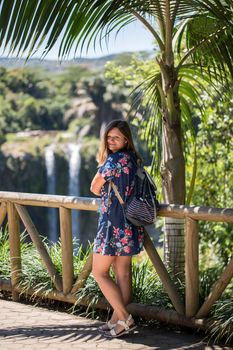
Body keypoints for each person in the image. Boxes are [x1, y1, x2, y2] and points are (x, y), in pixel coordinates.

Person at [90, 119, 144, 338]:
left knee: (99, 272)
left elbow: (94, 187)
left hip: (112, 223)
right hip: (130, 223)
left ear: (125, 140)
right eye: (109, 137)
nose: (111, 141)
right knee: (122, 273)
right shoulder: (133, 159)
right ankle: (116, 320)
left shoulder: (114, 160)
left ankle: (124, 318)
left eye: (116, 138)